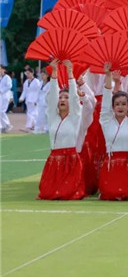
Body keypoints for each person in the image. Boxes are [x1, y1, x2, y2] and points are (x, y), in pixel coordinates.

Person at [38, 59, 86, 200]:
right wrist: (54, 72)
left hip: (70, 160)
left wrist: (70, 73)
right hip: (54, 160)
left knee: (68, 193)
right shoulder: (52, 117)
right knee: (47, 193)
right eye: (61, 97)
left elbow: (75, 99)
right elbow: (52, 96)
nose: (62, 100)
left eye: (66, 97)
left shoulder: (75, 117)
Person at [98, 64, 128, 200]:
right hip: (111, 167)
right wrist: (108, 76)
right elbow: (105, 104)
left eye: (124, 104)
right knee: (110, 194)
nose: (120, 107)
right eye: (117, 104)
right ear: (113, 107)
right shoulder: (106, 122)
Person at [18, 67, 41, 132]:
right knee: (32, 113)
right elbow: (24, 91)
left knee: (32, 113)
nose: (27, 75)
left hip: (34, 99)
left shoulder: (36, 81)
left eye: (28, 73)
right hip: (28, 99)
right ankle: (34, 126)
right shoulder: (26, 82)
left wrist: (37, 100)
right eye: (26, 73)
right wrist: (21, 98)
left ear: (32, 73)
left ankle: (29, 126)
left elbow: (39, 91)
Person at [0, 65, 12, 132]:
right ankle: (4, 126)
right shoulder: (0, 78)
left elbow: (9, 86)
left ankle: (7, 125)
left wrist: (1, 90)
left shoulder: (7, 77)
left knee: (2, 111)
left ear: (4, 70)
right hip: (0, 97)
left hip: (5, 96)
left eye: (0, 69)